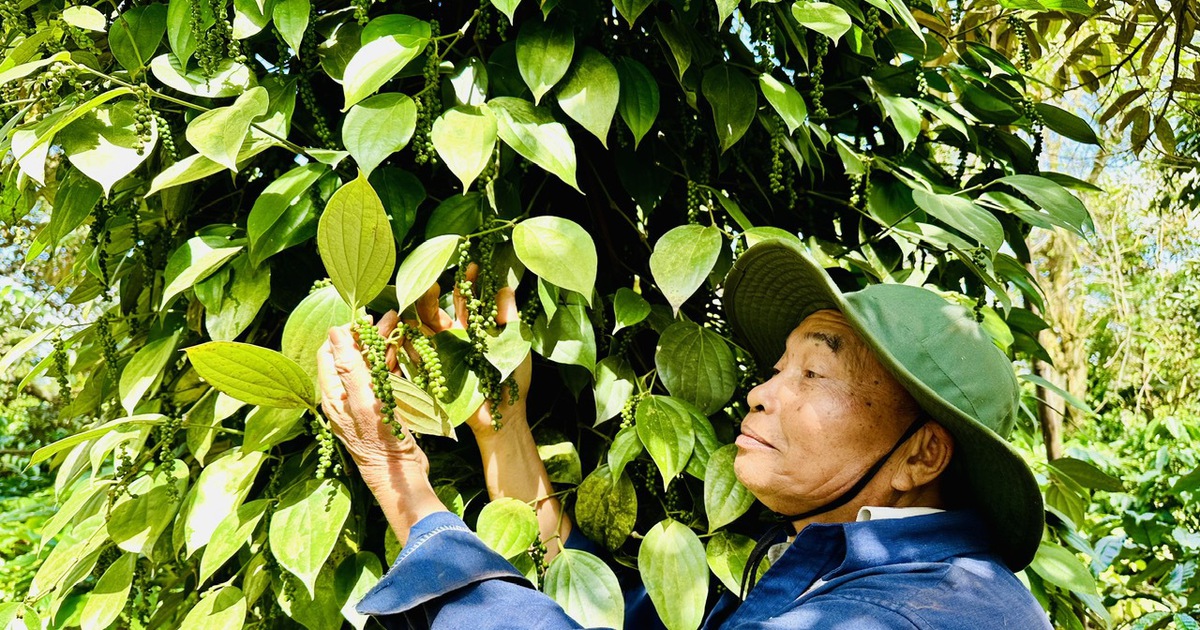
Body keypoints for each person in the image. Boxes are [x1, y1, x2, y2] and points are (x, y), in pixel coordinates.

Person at [317, 240, 1053, 629]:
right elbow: (599, 613)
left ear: (922, 452)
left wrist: (399, 478)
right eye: (774, 368)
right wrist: (504, 430)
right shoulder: (842, 574)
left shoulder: (910, 617)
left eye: (813, 375)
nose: (760, 394)